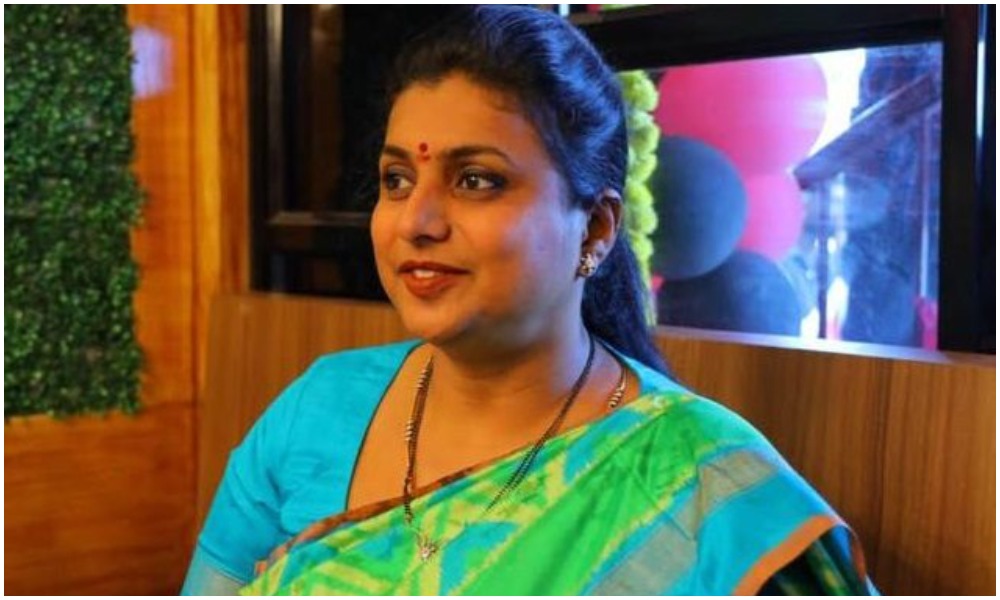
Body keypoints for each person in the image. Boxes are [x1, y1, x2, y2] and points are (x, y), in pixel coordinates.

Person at [182, 6, 875, 595]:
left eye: (476, 180)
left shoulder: (703, 491)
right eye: (397, 179)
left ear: (595, 229)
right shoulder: (318, 410)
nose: (415, 220)